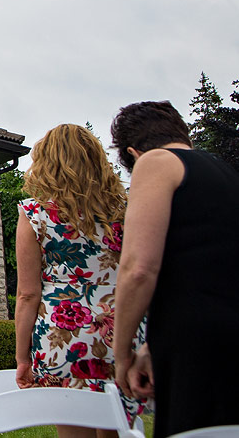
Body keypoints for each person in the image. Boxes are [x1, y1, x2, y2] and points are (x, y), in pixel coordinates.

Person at [111, 101, 239, 438]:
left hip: (198, 349)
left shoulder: (155, 163)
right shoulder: (222, 171)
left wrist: (122, 353)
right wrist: (149, 348)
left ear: (132, 153)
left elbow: (138, 269)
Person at [14, 123, 148, 437]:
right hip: (121, 331)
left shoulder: (35, 214)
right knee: (114, 428)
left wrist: (23, 357)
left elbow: (28, 295)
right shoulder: (126, 210)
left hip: (64, 334)